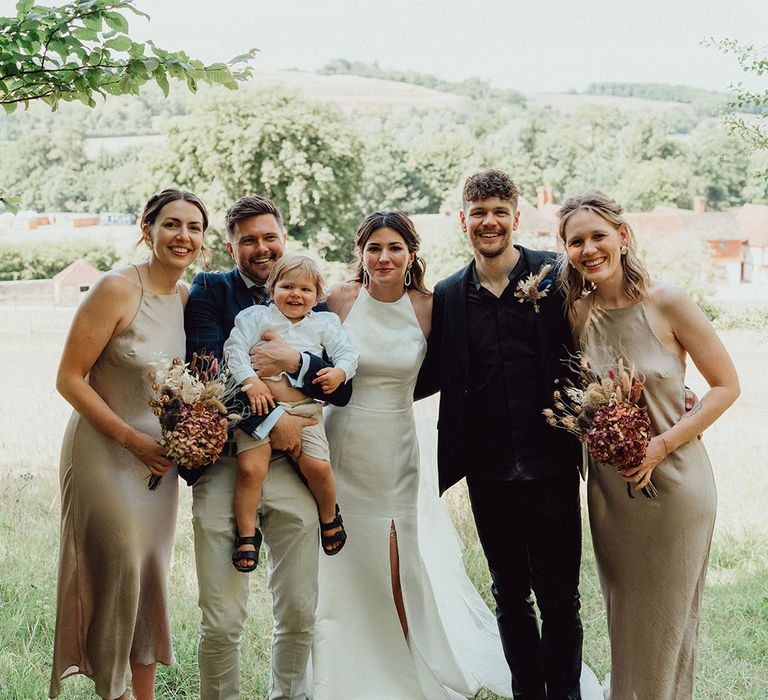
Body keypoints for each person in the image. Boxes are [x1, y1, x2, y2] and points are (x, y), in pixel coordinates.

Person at [313, 211, 516, 699]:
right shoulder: (341, 298)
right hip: (340, 440)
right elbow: (304, 350)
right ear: (360, 253)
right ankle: (339, 669)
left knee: (395, 562)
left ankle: (405, 666)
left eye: (394, 248)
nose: (383, 257)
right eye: (374, 248)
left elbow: (457, 371)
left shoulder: (429, 306)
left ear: (410, 253)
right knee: (339, 557)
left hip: (397, 446)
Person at [418, 169, 601, 700]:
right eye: (479, 213)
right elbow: (426, 372)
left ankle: (565, 694)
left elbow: (607, 326)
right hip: (488, 470)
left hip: (552, 464)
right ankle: (528, 691)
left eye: (500, 211)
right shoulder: (450, 295)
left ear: (516, 218)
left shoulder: (556, 274)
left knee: (561, 596)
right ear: (463, 221)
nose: (489, 222)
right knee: (509, 594)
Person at [557, 190, 739, 700]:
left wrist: (660, 446)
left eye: (599, 235)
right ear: (565, 250)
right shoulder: (576, 314)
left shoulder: (668, 302)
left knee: (667, 628)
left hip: (677, 487)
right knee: (627, 625)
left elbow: (727, 386)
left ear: (623, 235)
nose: (589, 248)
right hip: (612, 498)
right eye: (576, 241)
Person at [183, 195, 351, 700]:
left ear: (283, 239)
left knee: (299, 610)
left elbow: (339, 386)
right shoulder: (211, 290)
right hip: (229, 463)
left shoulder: (302, 294)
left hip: (293, 465)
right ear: (232, 246)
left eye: (269, 237)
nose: (262, 248)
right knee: (222, 618)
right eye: (249, 240)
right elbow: (207, 367)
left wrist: (295, 362)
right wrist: (277, 416)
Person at [49, 189, 208, 700]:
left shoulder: (186, 298)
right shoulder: (115, 289)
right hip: (104, 452)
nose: (183, 236)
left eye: (194, 228)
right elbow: (70, 379)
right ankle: (110, 691)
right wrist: (131, 439)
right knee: (117, 570)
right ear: (147, 228)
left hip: (156, 466)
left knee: (149, 575)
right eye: (171, 224)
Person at [224, 253, 357, 570]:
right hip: (262, 405)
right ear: (272, 288)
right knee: (249, 470)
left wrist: (340, 372)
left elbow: (348, 353)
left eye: (306, 289)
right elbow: (233, 349)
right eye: (287, 286)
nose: (296, 294)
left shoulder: (323, 324)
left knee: (319, 468)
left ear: (317, 295)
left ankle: (329, 515)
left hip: (304, 410)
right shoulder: (255, 318)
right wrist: (250, 381)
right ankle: (246, 533)